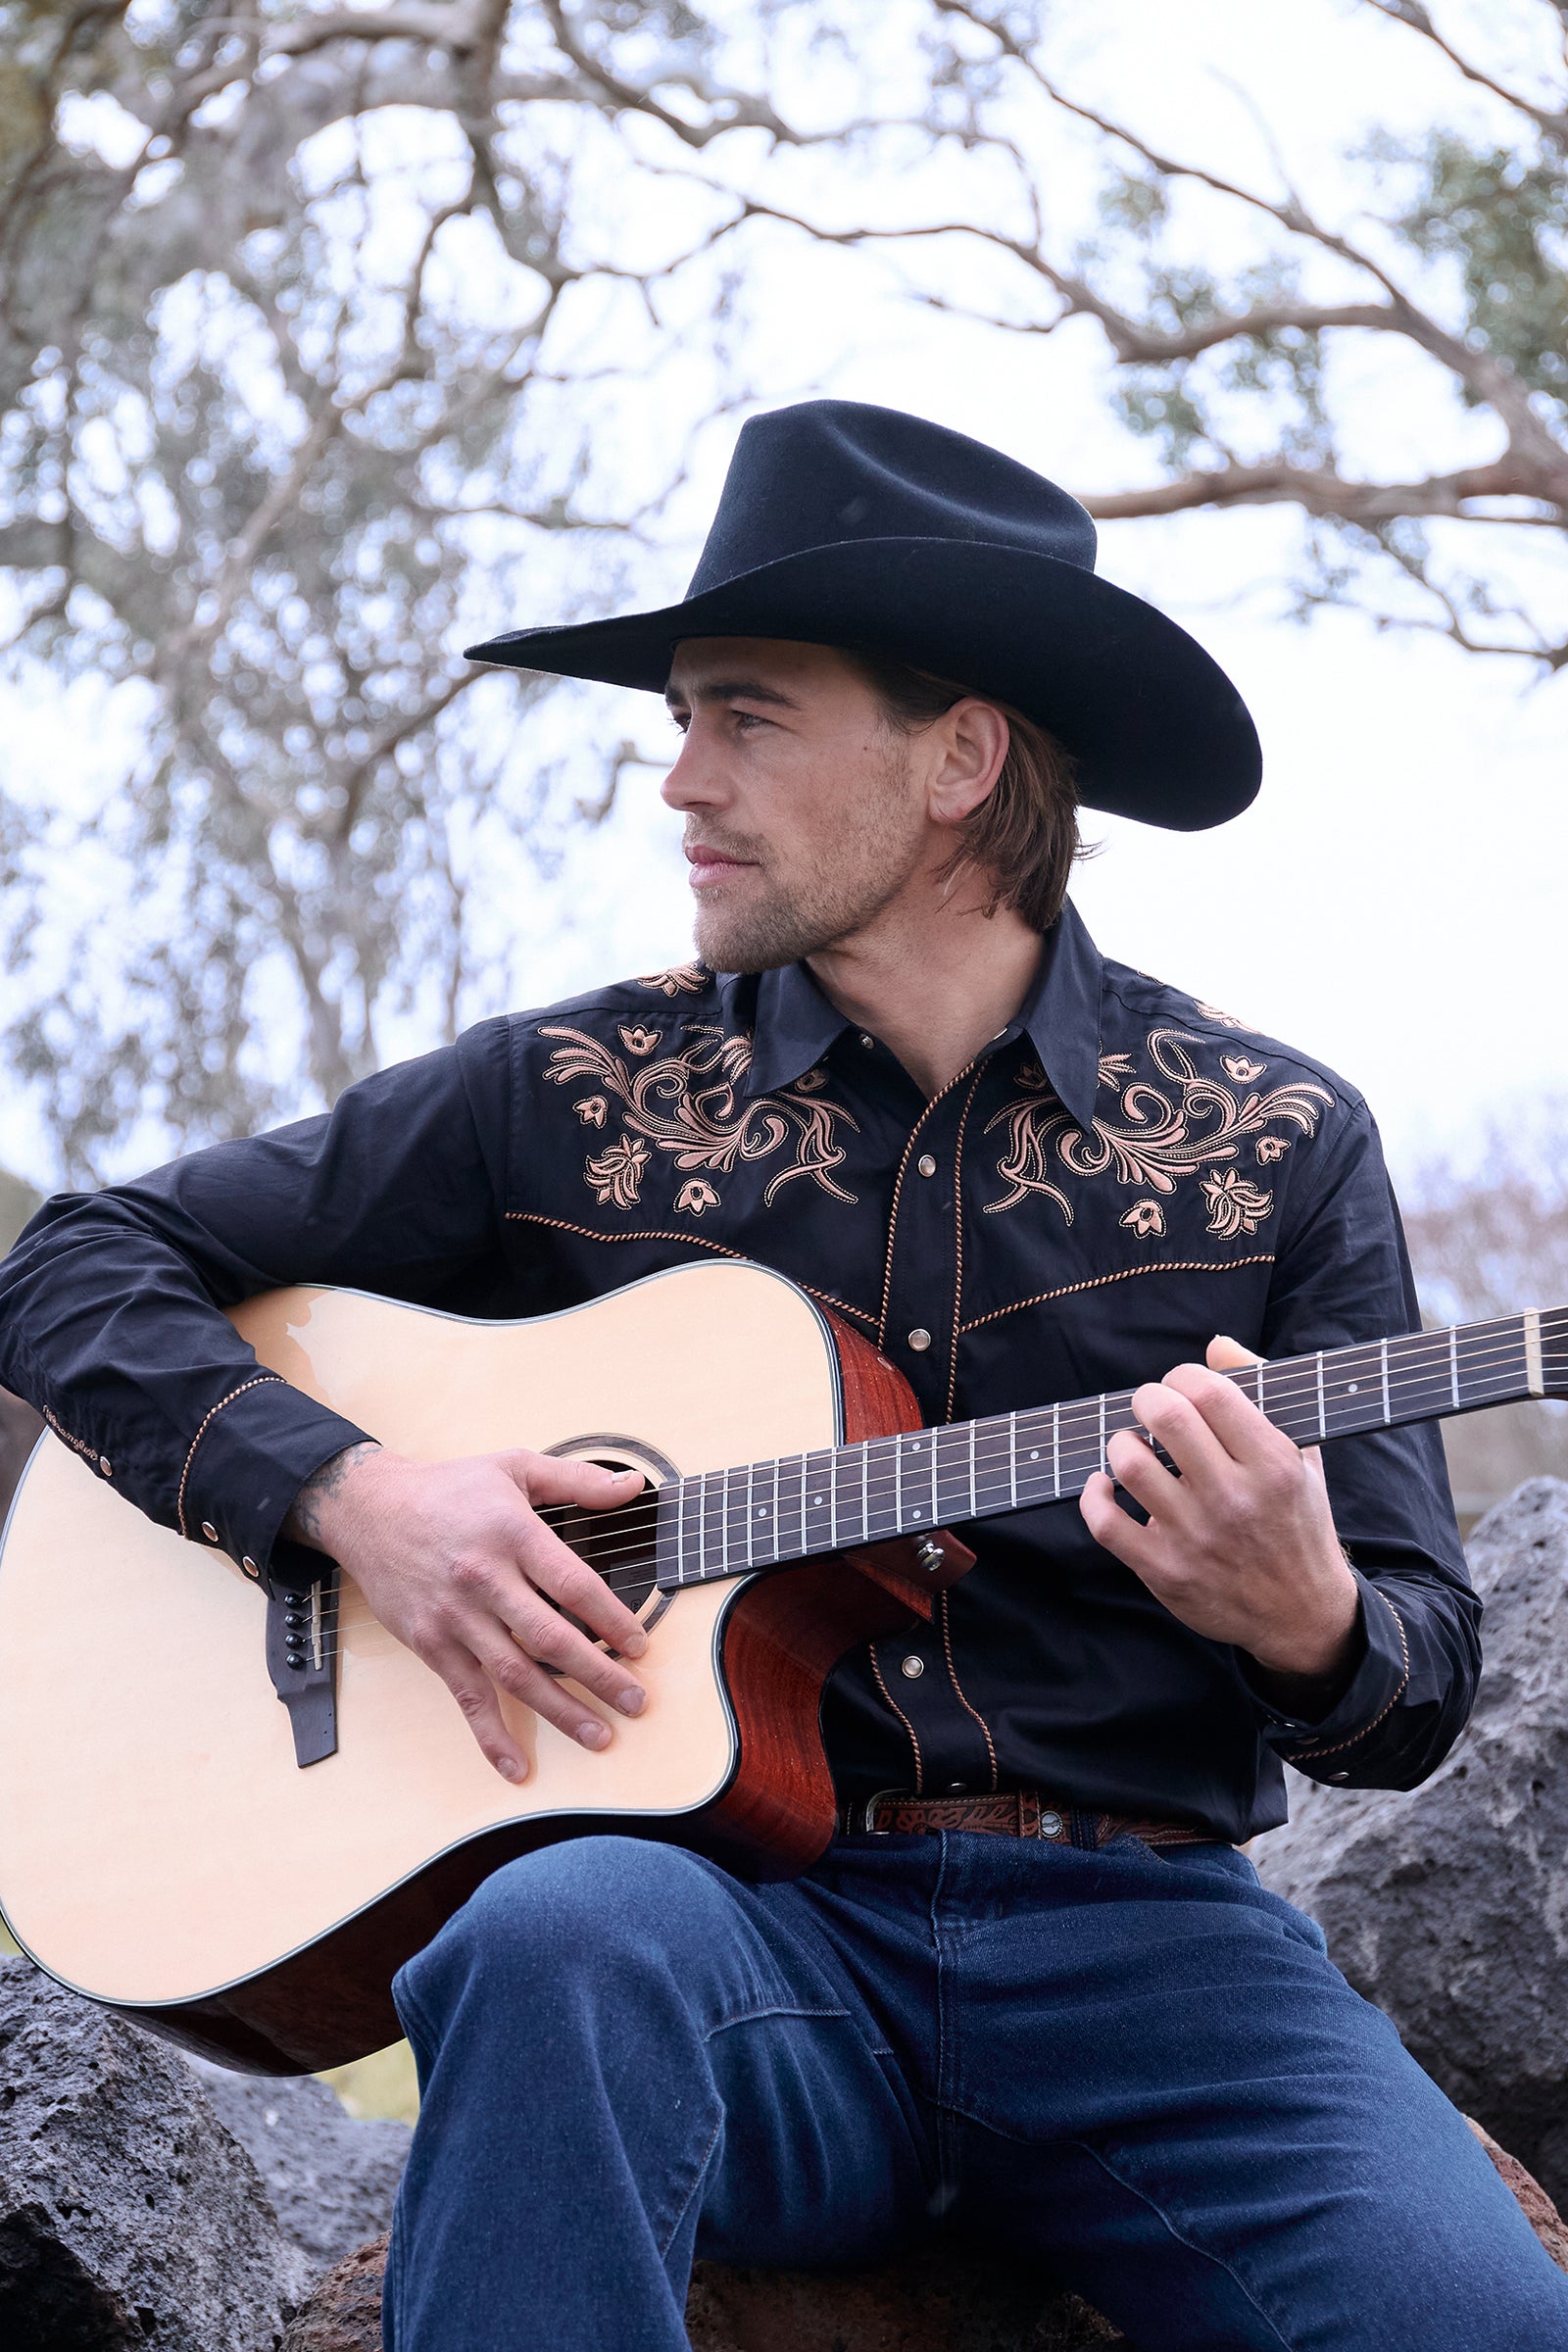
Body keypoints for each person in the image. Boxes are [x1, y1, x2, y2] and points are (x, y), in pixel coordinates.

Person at [1, 401, 1562, 2352]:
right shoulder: (569, 1095)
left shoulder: (1270, 1143)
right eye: (675, 720)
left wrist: (1303, 1617)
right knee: (552, 1939)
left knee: (1473, 2321)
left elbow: (1408, 1680)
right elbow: (78, 1262)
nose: (677, 783)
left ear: (956, 760)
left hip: (1151, 1972)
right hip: (736, 1947)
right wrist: (353, 1497)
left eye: (743, 719)